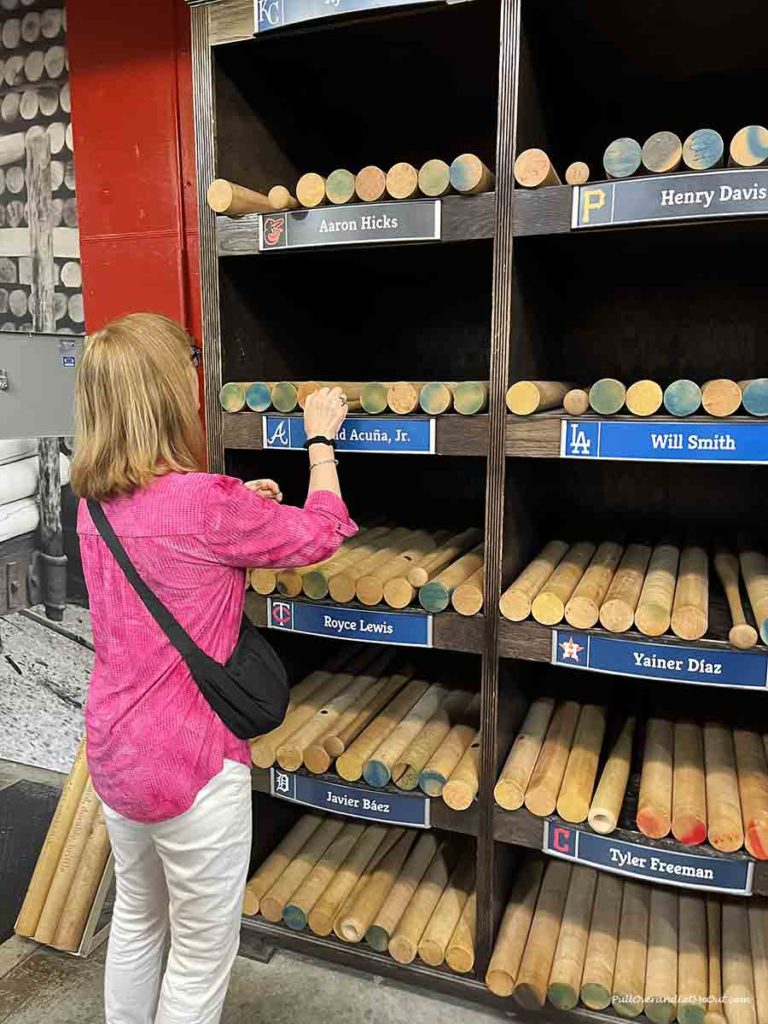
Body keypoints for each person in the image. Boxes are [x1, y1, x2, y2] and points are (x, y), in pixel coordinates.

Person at [71, 312, 355, 1024]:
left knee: (137, 921)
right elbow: (320, 535)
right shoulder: (204, 502)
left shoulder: (91, 506)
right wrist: (321, 442)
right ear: (168, 395)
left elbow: (171, 543)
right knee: (200, 953)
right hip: (193, 766)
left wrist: (239, 504)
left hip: (115, 754)